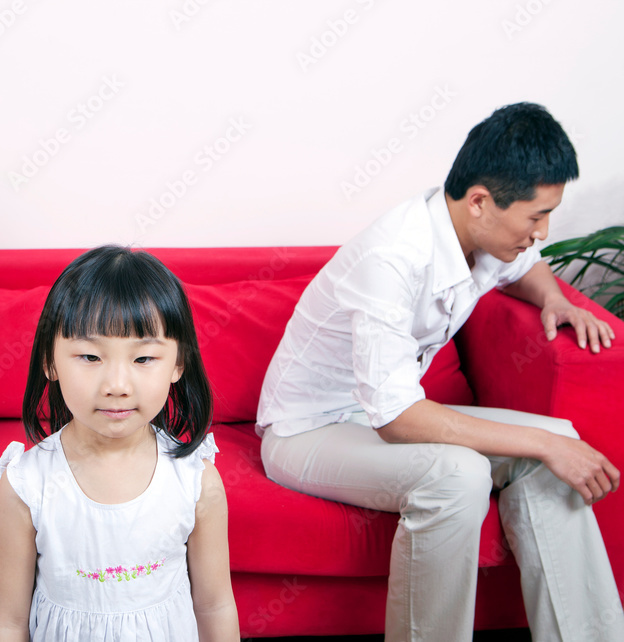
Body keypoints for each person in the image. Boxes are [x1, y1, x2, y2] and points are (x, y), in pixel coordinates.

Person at [256, 102, 623, 641]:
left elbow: (527, 267)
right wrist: (537, 444)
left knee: (559, 443)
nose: (542, 232)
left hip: (380, 412)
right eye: (535, 216)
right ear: (480, 201)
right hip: (308, 430)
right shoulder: (394, 257)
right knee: (460, 476)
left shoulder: (481, 233)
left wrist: (555, 299)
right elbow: (399, 419)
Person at [0, 245, 239, 641]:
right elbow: (7, 622)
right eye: (90, 356)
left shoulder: (195, 480)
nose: (117, 386)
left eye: (143, 359)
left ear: (177, 364)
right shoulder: (26, 484)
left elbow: (214, 605)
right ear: (50, 362)